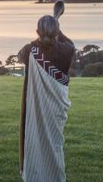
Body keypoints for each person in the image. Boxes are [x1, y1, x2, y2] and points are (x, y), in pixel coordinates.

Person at [18, 14, 75, 182]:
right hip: (57, 109)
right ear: (58, 31)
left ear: (37, 32)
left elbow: (20, 56)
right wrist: (57, 29)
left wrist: (39, 40)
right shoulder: (67, 50)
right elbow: (69, 43)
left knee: (36, 144)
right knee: (55, 146)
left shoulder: (31, 50)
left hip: (35, 111)